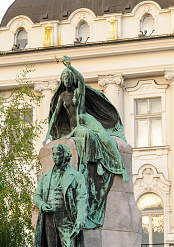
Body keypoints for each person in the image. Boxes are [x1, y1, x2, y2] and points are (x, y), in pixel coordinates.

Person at [43, 55, 128, 229]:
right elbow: (54, 117)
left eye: (69, 77)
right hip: (77, 128)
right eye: (64, 77)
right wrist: (47, 135)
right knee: (87, 135)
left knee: (107, 139)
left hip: (88, 120)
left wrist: (71, 67)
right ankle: (96, 162)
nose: (67, 79)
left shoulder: (78, 92)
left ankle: (121, 169)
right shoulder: (62, 97)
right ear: (62, 80)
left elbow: (81, 80)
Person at [33, 143, 87, 247]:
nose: (56, 158)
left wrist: (79, 220)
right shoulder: (45, 177)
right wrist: (42, 205)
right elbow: (37, 196)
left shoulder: (76, 176)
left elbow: (82, 199)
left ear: (66, 156)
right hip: (49, 217)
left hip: (67, 217)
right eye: (54, 155)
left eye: (58, 155)